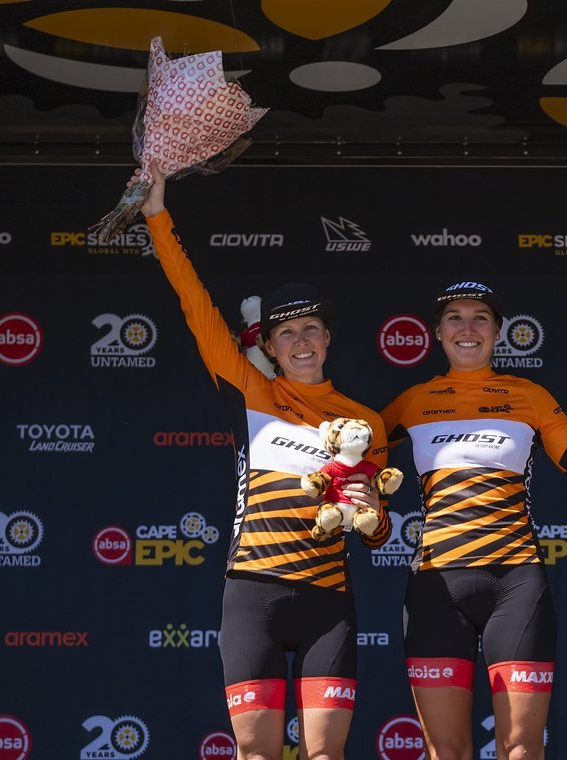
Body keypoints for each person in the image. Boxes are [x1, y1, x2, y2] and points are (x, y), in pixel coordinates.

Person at [137, 163, 391, 760]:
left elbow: (377, 534)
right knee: (256, 753)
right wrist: (156, 215)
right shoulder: (251, 392)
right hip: (252, 596)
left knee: (325, 754)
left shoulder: (363, 422)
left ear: (328, 340)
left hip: (329, 601)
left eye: (312, 329)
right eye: (287, 333)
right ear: (268, 347)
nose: (301, 341)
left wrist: (373, 512)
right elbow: (192, 299)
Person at [380, 281, 567, 760]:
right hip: (435, 587)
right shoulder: (410, 403)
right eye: (454, 318)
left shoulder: (531, 398)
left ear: (498, 332)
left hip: (515, 587)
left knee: (521, 749)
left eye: (480, 318)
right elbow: (351, 461)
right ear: (437, 333)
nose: (467, 328)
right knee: (446, 751)